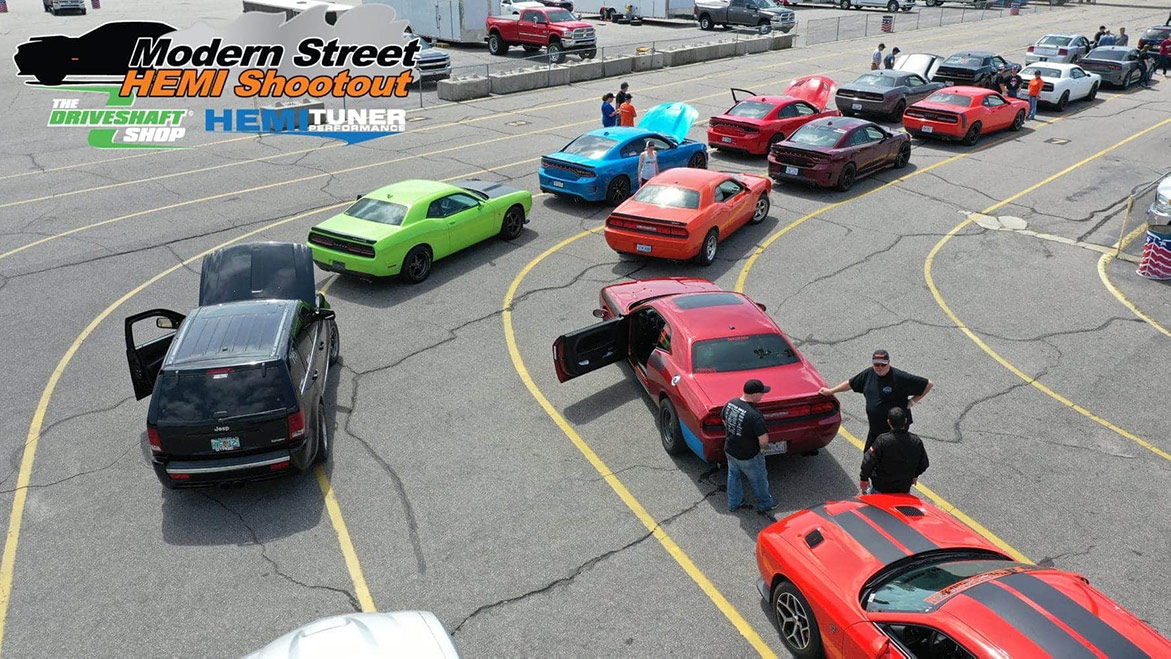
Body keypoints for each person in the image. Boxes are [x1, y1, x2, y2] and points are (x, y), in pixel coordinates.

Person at [818, 349, 933, 452]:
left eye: (883, 365)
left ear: (889, 363)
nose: (880, 368)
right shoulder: (869, 374)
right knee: (869, 455)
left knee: (892, 457)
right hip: (875, 429)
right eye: (876, 365)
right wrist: (831, 391)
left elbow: (928, 384)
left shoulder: (900, 377)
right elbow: (850, 384)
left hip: (895, 430)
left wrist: (912, 402)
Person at [723, 379, 776, 513]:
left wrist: (734, 433)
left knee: (733, 475)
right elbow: (763, 439)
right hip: (748, 455)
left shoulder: (731, 403)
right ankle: (765, 503)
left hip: (730, 448)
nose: (762, 396)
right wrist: (763, 450)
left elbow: (724, 419)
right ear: (753, 395)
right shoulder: (754, 415)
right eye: (761, 393)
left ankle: (733, 502)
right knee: (758, 479)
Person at [859, 407, 929, 495]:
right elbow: (924, 463)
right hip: (903, 488)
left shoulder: (882, 441)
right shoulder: (916, 441)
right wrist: (915, 475)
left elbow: (868, 461)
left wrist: (864, 478)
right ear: (905, 420)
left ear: (888, 422)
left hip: (881, 487)